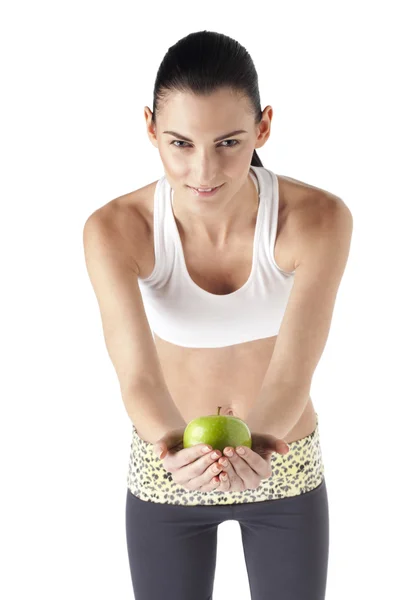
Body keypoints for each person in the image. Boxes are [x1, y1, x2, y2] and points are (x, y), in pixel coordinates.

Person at [83, 30, 353, 600]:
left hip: (283, 458)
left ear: (263, 127)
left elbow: (293, 371)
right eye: (180, 143)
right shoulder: (115, 229)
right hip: (168, 460)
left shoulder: (318, 218)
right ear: (151, 129)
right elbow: (136, 374)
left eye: (229, 143)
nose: (204, 170)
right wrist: (170, 447)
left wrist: (262, 443)